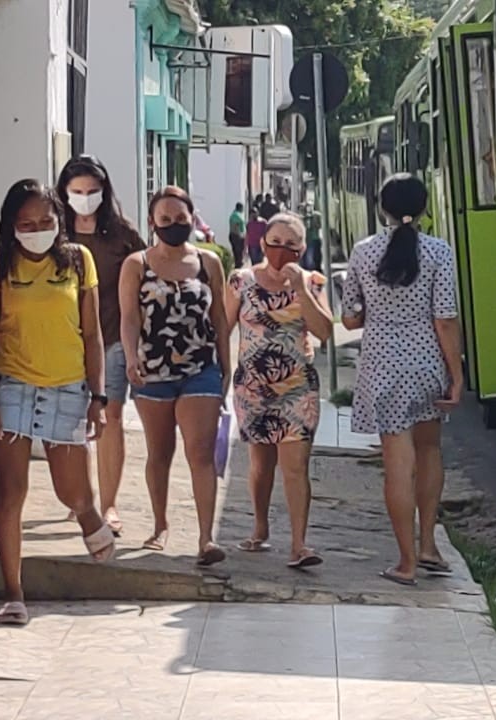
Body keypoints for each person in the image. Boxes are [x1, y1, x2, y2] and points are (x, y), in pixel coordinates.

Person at [0, 180, 114, 625]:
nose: (36, 230)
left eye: (45, 222)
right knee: (10, 492)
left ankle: (88, 513)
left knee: (70, 491)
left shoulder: (78, 261)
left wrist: (98, 395)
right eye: (26, 224)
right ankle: (15, 594)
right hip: (13, 385)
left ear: (60, 222)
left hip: (69, 387)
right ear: (11, 226)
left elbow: (92, 334)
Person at [342, 174, 463, 586]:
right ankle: (429, 545)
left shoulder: (362, 252)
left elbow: (350, 316)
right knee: (430, 452)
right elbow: (445, 318)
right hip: (428, 364)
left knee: (398, 465)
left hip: (382, 368)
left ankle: (406, 562)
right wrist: (456, 374)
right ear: (425, 207)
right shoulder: (439, 251)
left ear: (381, 208)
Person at [119, 186, 231, 566]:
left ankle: (206, 537)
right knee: (160, 452)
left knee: (200, 452)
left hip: (201, 369)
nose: (173, 225)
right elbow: (130, 317)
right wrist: (132, 356)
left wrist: (226, 366)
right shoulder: (137, 264)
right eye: (165, 219)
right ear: (152, 222)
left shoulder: (208, 263)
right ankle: (160, 524)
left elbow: (219, 318)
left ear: (191, 219)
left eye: (180, 219)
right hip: (153, 371)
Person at [227, 212, 332, 568]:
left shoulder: (313, 282)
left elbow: (325, 331)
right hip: (253, 389)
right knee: (260, 464)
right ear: (262, 243)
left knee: (296, 465)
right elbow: (223, 328)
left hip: (297, 389)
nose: (281, 251)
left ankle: (300, 544)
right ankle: (260, 528)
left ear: (302, 249)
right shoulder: (240, 281)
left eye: (291, 245)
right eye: (275, 242)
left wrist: (301, 288)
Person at [56, 155, 146, 538]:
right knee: (70, 423)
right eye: (77, 192)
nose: (85, 198)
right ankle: (82, 500)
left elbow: (146, 278)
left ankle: (108, 504)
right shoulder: (55, 232)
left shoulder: (122, 235)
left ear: (104, 191)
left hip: (110, 339)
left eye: (92, 191)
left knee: (109, 419)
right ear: (64, 193)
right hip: (62, 343)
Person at [228, 202, 247, 268]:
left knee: (235, 251)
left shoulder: (233, 214)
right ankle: (238, 265)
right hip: (237, 236)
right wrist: (243, 233)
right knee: (239, 251)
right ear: (240, 208)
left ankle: (237, 264)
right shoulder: (237, 215)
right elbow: (240, 224)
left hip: (232, 235)